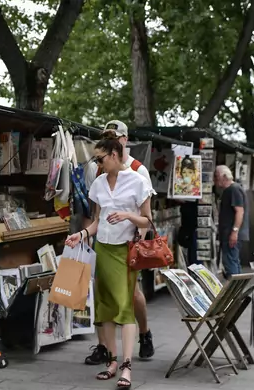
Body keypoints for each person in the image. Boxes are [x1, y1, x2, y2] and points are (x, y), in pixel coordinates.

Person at [66, 132, 154, 389]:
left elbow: (147, 221)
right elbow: (96, 221)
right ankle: (112, 362)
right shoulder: (99, 183)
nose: (97, 165)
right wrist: (80, 235)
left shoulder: (137, 181)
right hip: (102, 249)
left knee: (123, 306)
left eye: (101, 159)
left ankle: (127, 366)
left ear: (114, 155)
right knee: (104, 307)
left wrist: (128, 215)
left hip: (124, 251)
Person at [83, 120, 156, 364]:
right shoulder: (99, 170)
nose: (112, 139)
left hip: (128, 243)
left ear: (124, 140)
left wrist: (138, 243)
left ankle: (144, 334)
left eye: (115, 136)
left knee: (131, 295)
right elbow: (97, 214)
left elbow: (146, 215)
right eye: (106, 135)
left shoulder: (139, 171)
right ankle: (104, 347)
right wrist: (86, 236)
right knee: (102, 295)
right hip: (104, 243)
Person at [214, 165, 249, 278]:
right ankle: (237, 291)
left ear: (224, 177)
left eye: (216, 176)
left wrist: (234, 232)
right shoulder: (230, 190)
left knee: (230, 263)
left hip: (231, 233)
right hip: (229, 233)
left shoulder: (233, 189)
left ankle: (234, 292)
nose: (215, 180)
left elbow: (239, 211)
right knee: (232, 261)